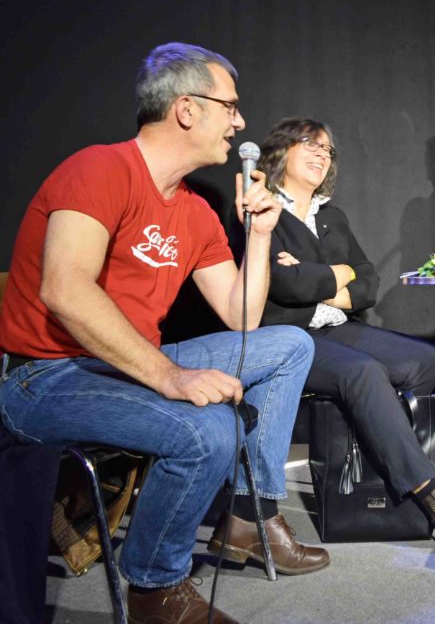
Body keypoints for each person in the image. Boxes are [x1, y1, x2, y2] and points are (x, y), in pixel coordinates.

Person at [0, 43, 325, 624]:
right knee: (208, 431)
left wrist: (258, 237)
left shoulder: (196, 211)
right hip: (47, 377)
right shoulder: (100, 168)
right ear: (186, 109)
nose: (240, 122)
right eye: (230, 107)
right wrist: (170, 376)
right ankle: (154, 587)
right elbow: (65, 290)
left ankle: (251, 516)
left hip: (130, 360)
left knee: (290, 344)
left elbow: (242, 318)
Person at [257, 117, 435, 545]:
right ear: (281, 151)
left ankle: (389, 469)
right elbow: (284, 284)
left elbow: (368, 284)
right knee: (363, 374)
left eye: (328, 151)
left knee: (425, 361)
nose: (323, 155)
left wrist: (324, 282)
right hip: (290, 337)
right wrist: (335, 276)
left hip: (336, 328)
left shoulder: (332, 218)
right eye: (311, 145)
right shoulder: (262, 208)